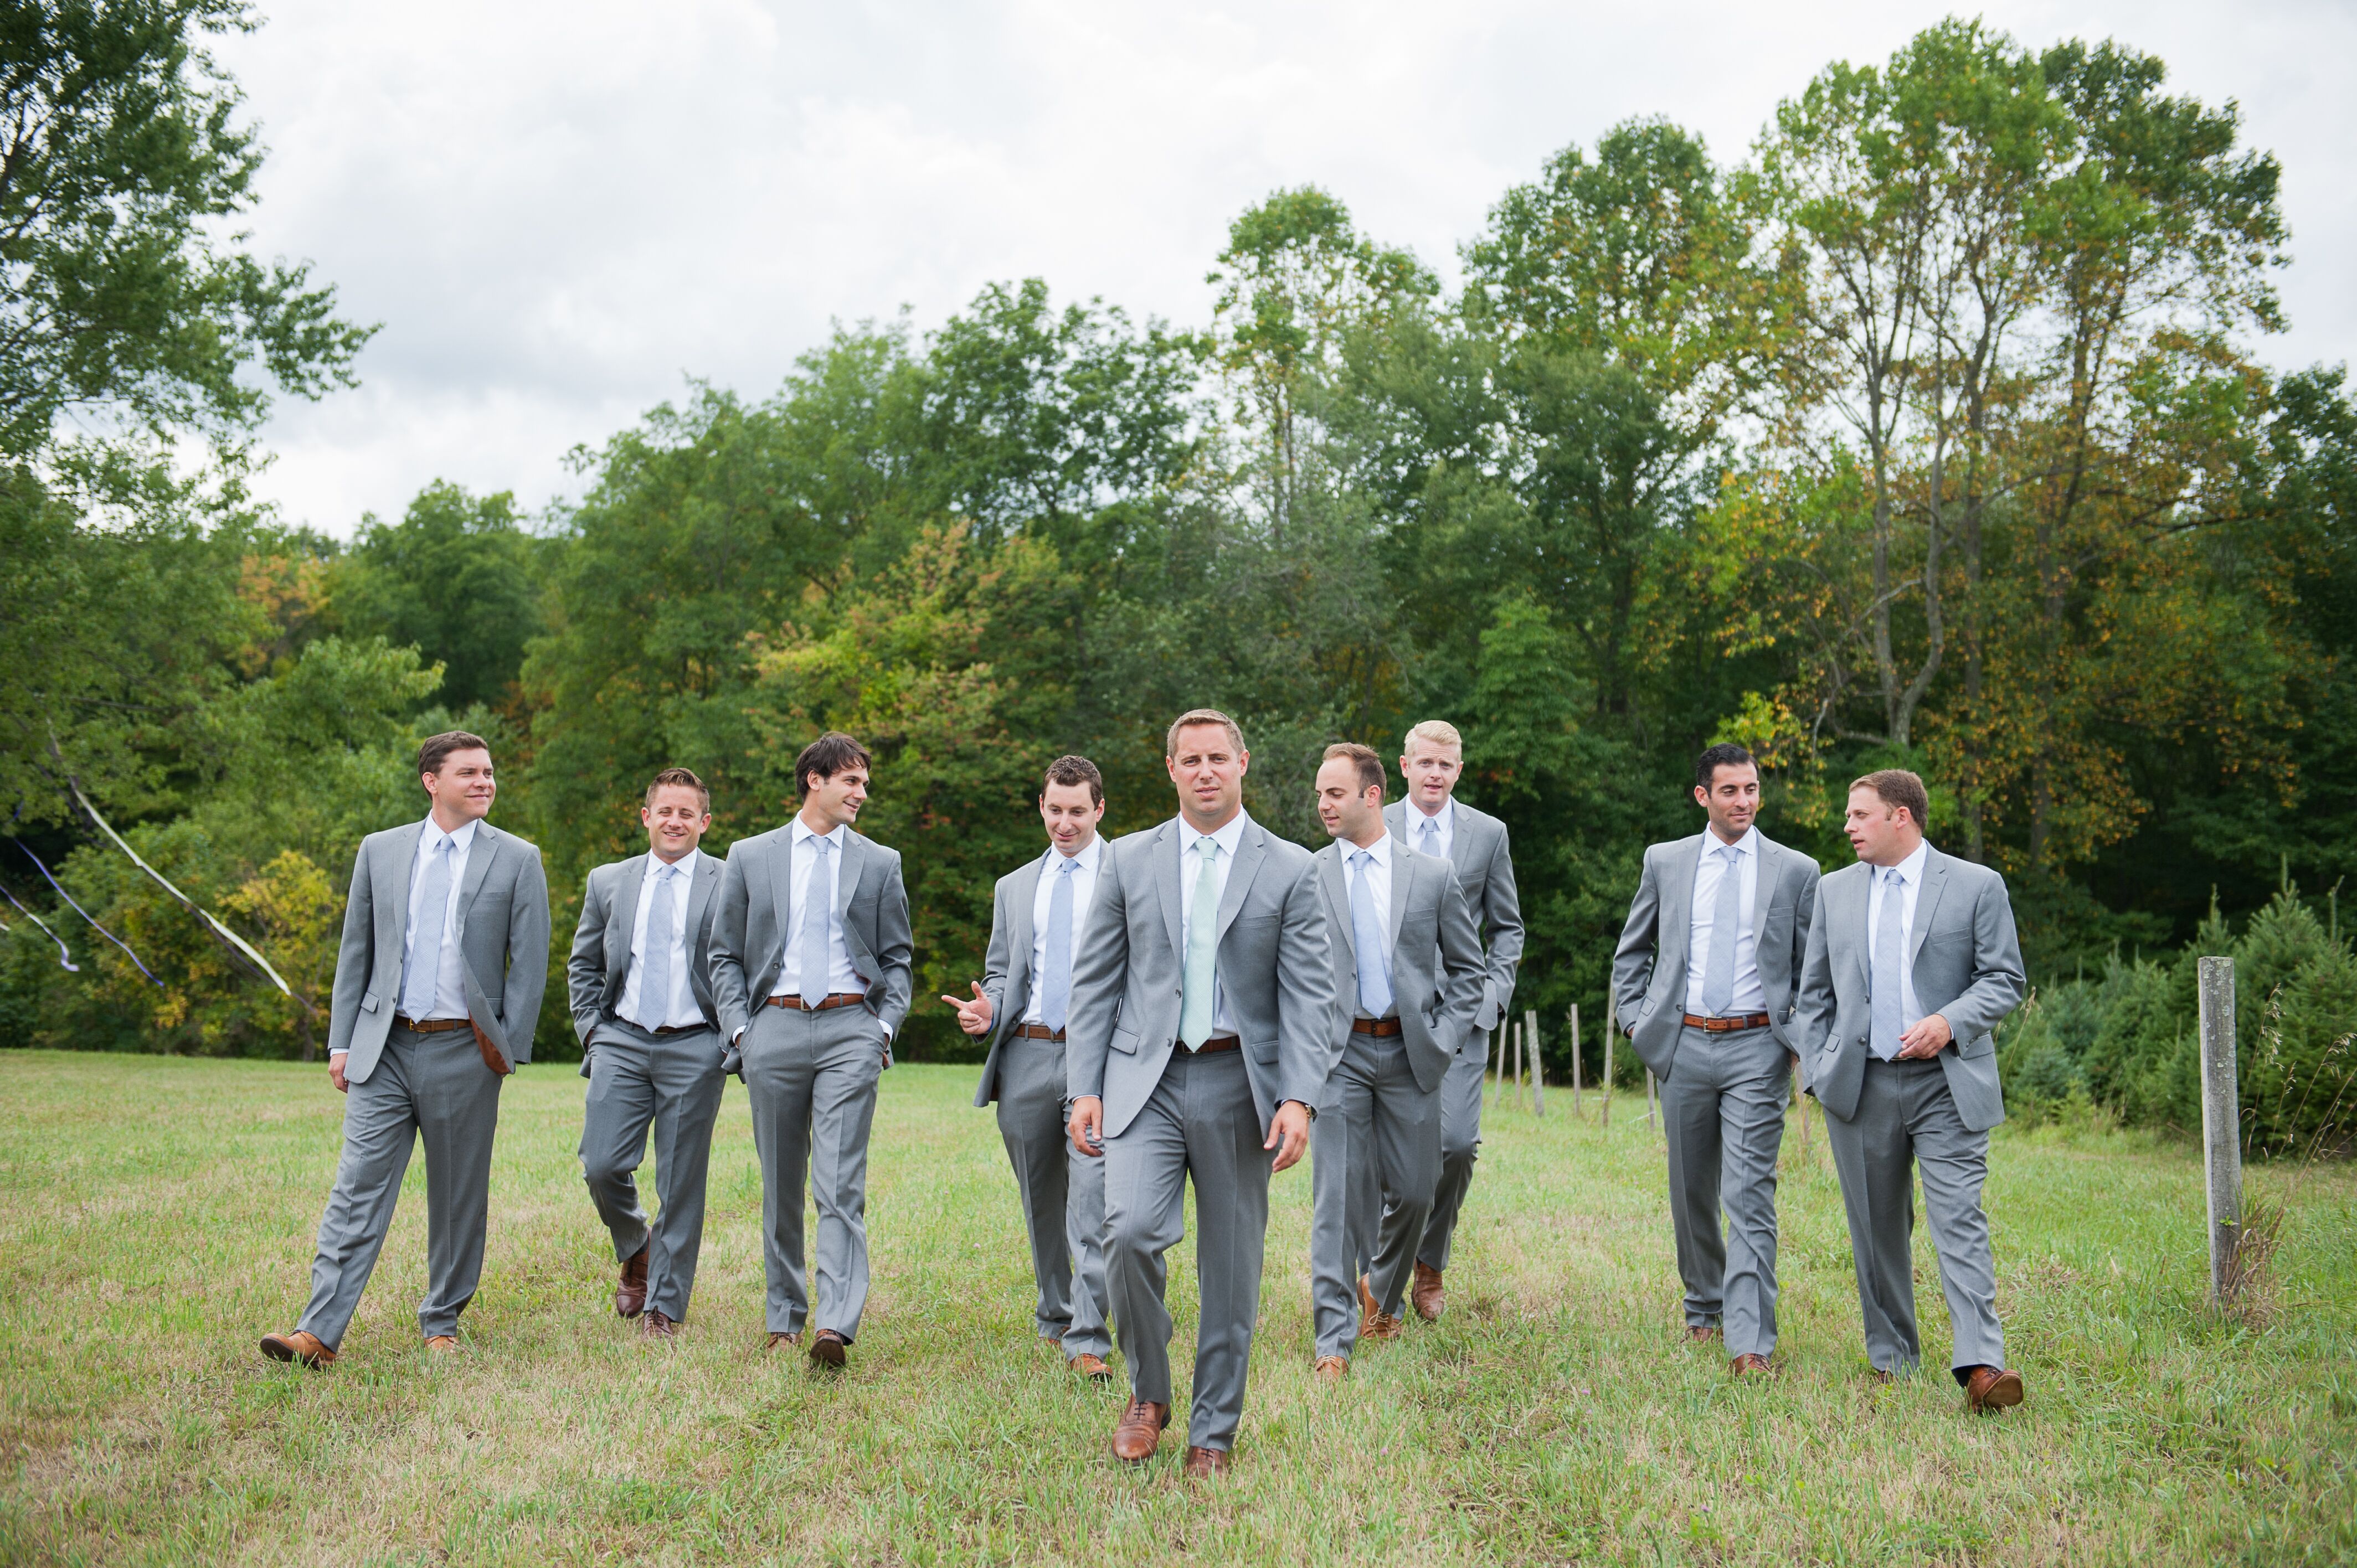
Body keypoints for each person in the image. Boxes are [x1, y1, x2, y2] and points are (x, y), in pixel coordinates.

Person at [1065, 709, 1334, 1477]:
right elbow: (1096, 981)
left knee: (1231, 1266)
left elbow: (1310, 997)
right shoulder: (1128, 860)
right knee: (1128, 1232)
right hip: (1141, 1079)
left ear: (1243, 763)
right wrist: (1085, 1084)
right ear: (1171, 768)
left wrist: (1299, 1097)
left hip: (1238, 1082)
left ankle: (1213, 1431)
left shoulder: (1290, 867)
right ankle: (1150, 1392)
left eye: (1219, 757)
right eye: (1192, 760)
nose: (1206, 770)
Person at [260, 731, 550, 1367]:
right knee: (357, 1187)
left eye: (489, 772)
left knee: (456, 1196)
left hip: (464, 1050)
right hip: (383, 1047)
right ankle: (317, 1332)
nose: (484, 782)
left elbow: (530, 962)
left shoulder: (517, 858)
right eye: (469, 772)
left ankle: (441, 1322)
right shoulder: (382, 850)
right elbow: (356, 950)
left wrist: (506, 1049)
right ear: (431, 780)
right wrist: (342, 1041)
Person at [1795, 768, 2029, 1411]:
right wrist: (1817, 1066)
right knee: (1875, 1228)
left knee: (1958, 1219)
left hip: (1948, 1084)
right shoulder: (1832, 891)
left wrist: (1947, 1021)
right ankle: (1891, 1358)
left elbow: (2004, 979)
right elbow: (1811, 993)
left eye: (1858, 815)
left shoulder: (1976, 885)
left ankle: (1982, 1367)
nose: (1846, 826)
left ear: (1901, 817)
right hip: (1860, 1085)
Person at [1609, 742, 1819, 1374]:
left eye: (1751, 789)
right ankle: (1703, 1304)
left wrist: (1795, 1043)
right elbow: (1632, 953)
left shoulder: (1795, 870)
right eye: (1729, 791)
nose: (1744, 801)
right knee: (1690, 1189)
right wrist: (1635, 1022)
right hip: (1684, 1044)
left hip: (1758, 1046)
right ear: (1703, 796)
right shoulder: (1665, 862)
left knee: (1749, 1190)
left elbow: (1812, 969)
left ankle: (1749, 1341)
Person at [708, 733, 913, 1369]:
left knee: (838, 1184)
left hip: (852, 1029)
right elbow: (722, 955)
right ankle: (782, 1317)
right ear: (815, 780)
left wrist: (882, 1029)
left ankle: (834, 1324)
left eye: (865, 784)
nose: (862, 794)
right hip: (773, 1027)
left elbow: (897, 959)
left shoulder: (879, 862)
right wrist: (742, 1031)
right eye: (852, 782)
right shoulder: (749, 856)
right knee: (780, 1183)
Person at [1305, 743, 1484, 1383]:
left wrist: (1440, 1036)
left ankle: (1380, 1289)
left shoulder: (1430, 875)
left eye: (1333, 793)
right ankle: (1334, 1338)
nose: (1321, 804)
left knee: (1413, 1192)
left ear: (1371, 795)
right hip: (1338, 1053)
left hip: (1412, 1053)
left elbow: (1469, 971)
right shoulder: (1309, 874)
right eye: (1320, 794)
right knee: (1338, 1197)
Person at [943, 755, 1116, 1381]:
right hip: (1025, 1054)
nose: (1064, 823)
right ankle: (1055, 1314)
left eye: (1077, 811)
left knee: (1091, 1198)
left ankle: (1090, 1336)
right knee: (1040, 1199)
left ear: (1098, 810)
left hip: (1098, 1060)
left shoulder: (1128, 875)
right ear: (1040, 808)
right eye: (1054, 810)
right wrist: (988, 1009)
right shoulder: (1014, 886)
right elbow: (999, 969)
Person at [567, 766, 728, 1339]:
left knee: (681, 1181)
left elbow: (747, 963)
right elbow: (583, 963)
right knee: (602, 1164)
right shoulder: (608, 881)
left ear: (704, 822)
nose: (675, 821)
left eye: (687, 813)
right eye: (665, 811)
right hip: (622, 1040)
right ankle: (636, 1244)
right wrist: (592, 1029)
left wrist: (727, 1038)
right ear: (646, 817)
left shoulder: (729, 882)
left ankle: (664, 1304)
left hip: (696, 1045)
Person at [1381, 718, 1523, 1322]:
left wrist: (1492, 993)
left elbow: (1507, 927)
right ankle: (1379, 1271)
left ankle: (1429, 1262)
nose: (1435, 774)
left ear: (1457, 770)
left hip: (1462, 1017)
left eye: (1446, 765)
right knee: (1386, 1155)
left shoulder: (1486, 835)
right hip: (1387, 1017)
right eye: (1424, 763)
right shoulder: (1375, 825)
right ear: (1404, 766)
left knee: (1457, 1144)